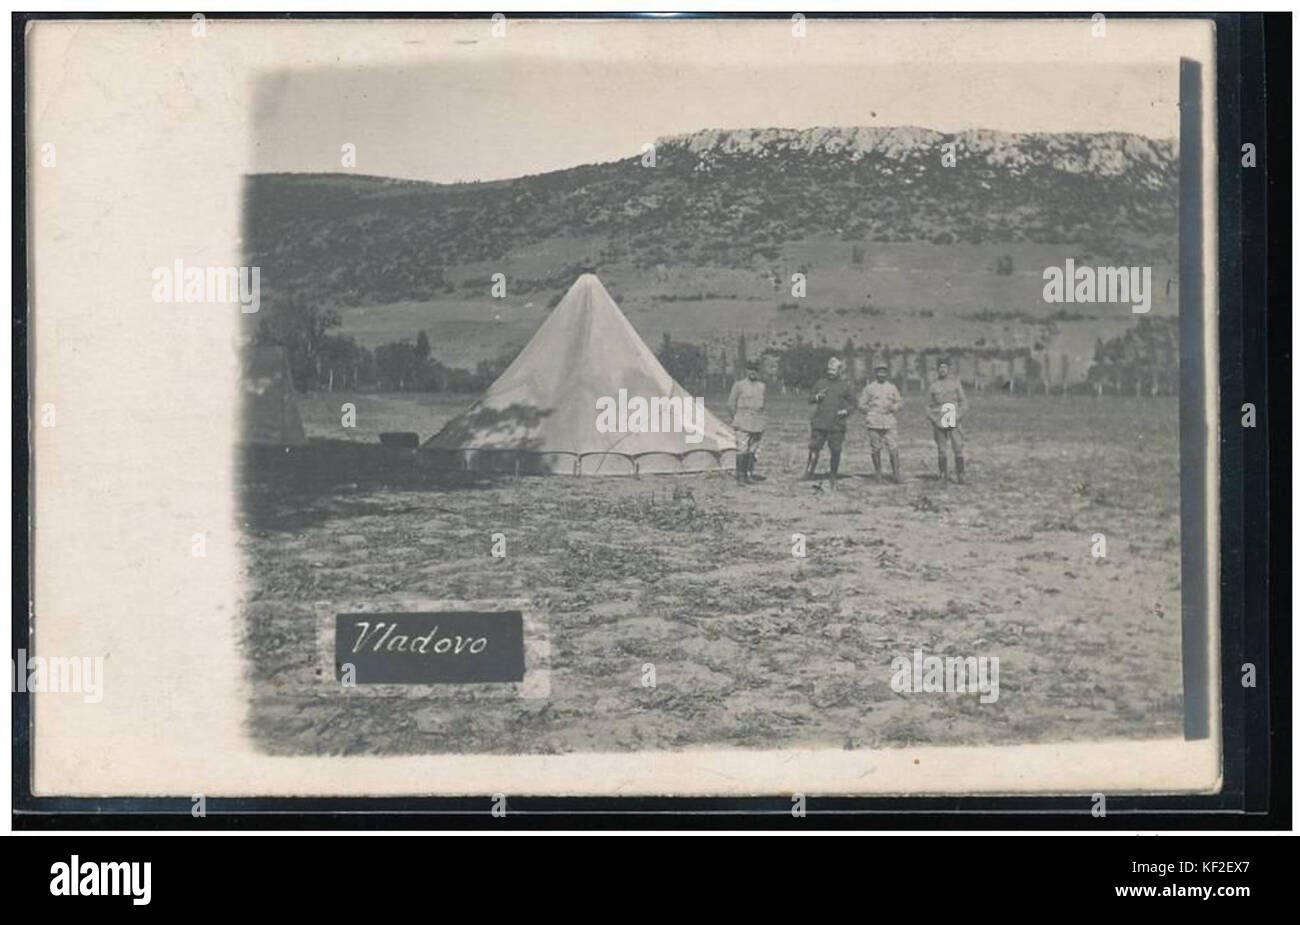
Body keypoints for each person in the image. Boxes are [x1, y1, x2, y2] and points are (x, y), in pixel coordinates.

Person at [805, 356, 856, 482]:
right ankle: (808, 474)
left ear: (839, 371)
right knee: (814, 449)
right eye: (829, 369)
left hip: (837, 424)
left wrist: (846, 411)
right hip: (819, 423)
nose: (831, 372)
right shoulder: (820, 383)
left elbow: (854, 403)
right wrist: (817, 397)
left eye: (834, 370)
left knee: (836, 450)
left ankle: (833, 475)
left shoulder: (845, 386)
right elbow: (810, 399)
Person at [926, 358, 968, 483]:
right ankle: (943, 475)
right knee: (941, 449)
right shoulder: (933, 386)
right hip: (939, 421)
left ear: (948, 369)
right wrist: (934, 420)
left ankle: (961, 475)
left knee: (958, 447)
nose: (942, 370)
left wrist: (958, 416)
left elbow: (964, 403)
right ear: (937, 370)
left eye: (945, 368)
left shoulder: (955, 384)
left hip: (954, 420)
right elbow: (927, 406)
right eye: (940, 368)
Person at [860, 362, 902, 482]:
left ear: (886, 373)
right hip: (874, 422)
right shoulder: (869, 388)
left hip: (889, 421)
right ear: (875, 373)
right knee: (876, 448)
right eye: (879, 372)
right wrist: (870, 412)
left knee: (893, 447)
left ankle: (896, 474)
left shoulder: (892, 387)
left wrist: (895, 407)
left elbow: (899, 402)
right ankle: (878, 474)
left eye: (883, 372)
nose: (881, 374)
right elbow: (861, 404)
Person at [727, 359, 767, 485]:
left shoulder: (762, 386)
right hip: (742, 421)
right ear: (746, 371)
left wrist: (762, 421)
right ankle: (740, 475)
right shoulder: (739, 385)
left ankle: (749, 474)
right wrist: (736, 418)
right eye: (750, 369)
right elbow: (730, 404)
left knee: (753, 449)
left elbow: (763, 405)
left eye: (755, 369)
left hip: (757, 422)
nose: (753, 372)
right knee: (742, 449)